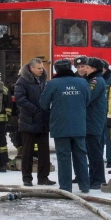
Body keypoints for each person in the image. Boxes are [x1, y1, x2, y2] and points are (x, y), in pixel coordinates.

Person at [40, 59, 91, 193]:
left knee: (63, 157)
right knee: (80, 155)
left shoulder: (52, 84)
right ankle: (84, 185)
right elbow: (88, 100)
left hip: (60, 125)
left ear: (56, 70)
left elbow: (43, 103)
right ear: (71, 68)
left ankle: (66, 187)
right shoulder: (82, 82)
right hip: (79, 125)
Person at [15, 58, 56, 187]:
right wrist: (35, 110)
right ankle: (27, 178)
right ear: (31, 68)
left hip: (43, 121)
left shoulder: (44, 80)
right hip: (29, 121)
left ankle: (43, 177)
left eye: (42, 67)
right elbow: (20, 99)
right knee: (27, 151)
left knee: (44, 151)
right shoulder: (22, 81)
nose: (41, 70)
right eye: (38, 68)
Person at [84, 57, 107, 189]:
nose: (85, 69)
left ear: (93, 69)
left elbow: (88, 97)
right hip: (93, 120)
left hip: (93, 121)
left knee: (95, 152)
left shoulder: (95, 81)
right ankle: (93, 178)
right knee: (92, 152)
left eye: (87, 67)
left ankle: (98, 179)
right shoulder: (95, 80)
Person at [101, 59, 111, 168]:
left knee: (108, 138)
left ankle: (110, 160)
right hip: (99, 113)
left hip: (108, 112)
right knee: (99, 138)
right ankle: (98, 158)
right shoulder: (98, 78)